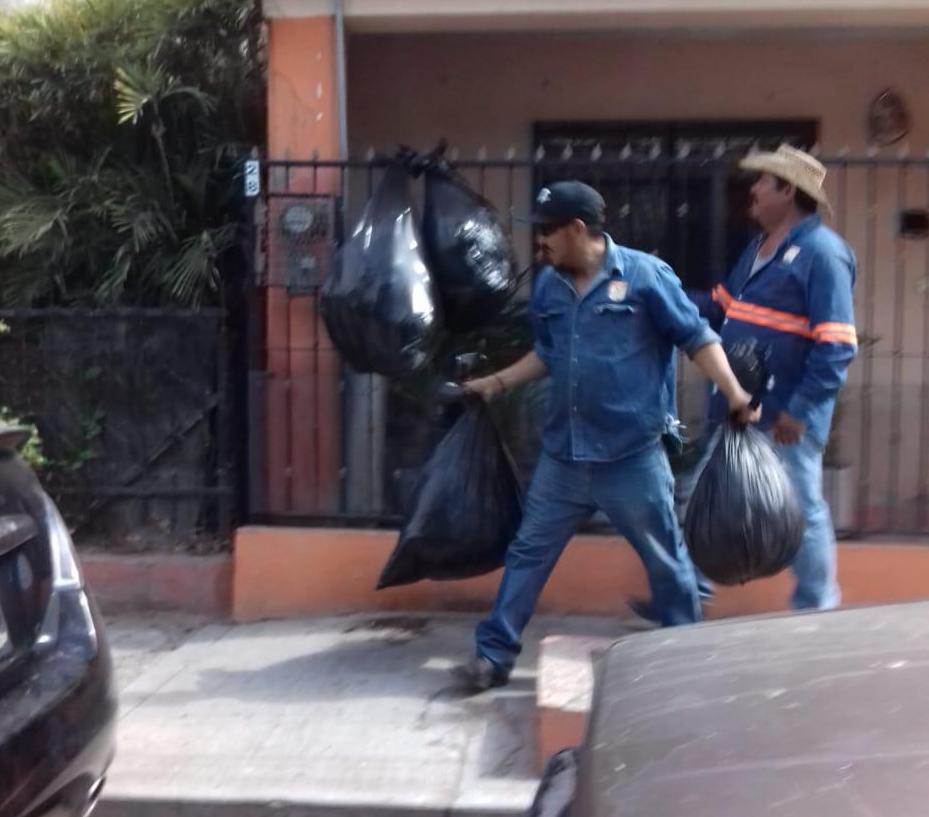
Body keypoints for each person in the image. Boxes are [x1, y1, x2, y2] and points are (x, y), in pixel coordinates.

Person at [452, 180, 759, 692]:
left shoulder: (644, 276)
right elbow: (549, 352)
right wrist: (496, 382)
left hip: (631, 457)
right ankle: (493, 655)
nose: (539, 243)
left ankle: (685, 658)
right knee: (529, 552)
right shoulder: (550, 287)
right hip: (564, 456)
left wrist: (734, 393)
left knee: (665, 559)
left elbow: (696, 337)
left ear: (577, 230)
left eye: (548, 232)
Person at [675, 145, 857, 613]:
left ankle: (817, 606)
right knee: (700, 495)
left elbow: (836, 345)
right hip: (738, 405)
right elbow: (720, 308)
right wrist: (658, 292)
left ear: (788, 191)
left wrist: (800, 410)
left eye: (762, 182)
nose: (751, 190)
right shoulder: (757, 249)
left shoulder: (824, 254)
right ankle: (687, 593)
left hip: (783, 417)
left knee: (802, 511)